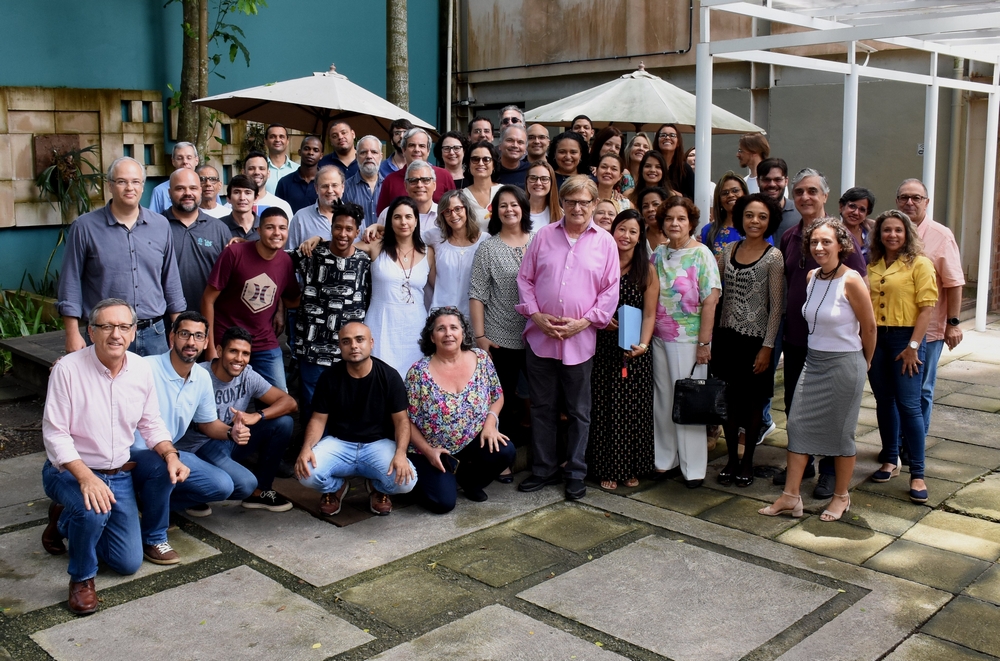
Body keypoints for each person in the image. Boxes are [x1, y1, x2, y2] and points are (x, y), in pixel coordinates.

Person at [41, 299, 188, 615]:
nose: (115, 334)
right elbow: (55, 435)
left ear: (133, 332)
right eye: (106, 326)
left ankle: (64, 519)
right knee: (91, 511)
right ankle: (82, 578)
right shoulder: (67, 370)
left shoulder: (140, 369)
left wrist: (171, 454)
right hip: (69, 471)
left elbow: (151, 422)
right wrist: (85, 478)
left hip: (118, 473)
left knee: (127, 563)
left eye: (123, 326)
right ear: (92, 332)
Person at [760, 218, 876, 521]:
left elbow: (870, 327)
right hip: (813, 363)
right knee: (797, 426)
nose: (819, 247)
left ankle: (841, 496)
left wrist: (865, 362)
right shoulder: (812, 276)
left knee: (841, 434)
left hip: (844, 364)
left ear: (841, 245)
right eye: (814, 242)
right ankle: (790, 497)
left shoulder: (851, 280)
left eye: (826, 241)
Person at [516, 175, 620, 500]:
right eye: (571, 201)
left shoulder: (605, 242)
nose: (577, 208)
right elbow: (525, 279)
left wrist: (584, 322)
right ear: (561, 203)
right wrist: (536, 315)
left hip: (580, 340)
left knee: (578, 411)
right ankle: (544, 469)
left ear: (594, 204)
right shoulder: (544, 236)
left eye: (584, 202)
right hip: (541, 337)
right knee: (542, 407)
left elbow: (609, 291)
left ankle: (575, 473)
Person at [774, 169, 868, 497]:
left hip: (835, 345)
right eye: (799, 191)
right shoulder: (789, 237)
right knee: (796, 408)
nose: (805, 197)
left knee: (834, 412)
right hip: (798, 338)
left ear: (825, 196)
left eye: (812, 191)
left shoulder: (841, 238)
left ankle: (829, 471)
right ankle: (804, 463)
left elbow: (862, 292)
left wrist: (863, 353)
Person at [58, 156, 185, 356]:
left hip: (154, 333)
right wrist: (72, 332)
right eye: (121, 181)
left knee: (154, 379)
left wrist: (179, 329)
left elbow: (171, 280)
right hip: (106, 334)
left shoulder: (161, 225)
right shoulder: (85, 227)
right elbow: (70, 281)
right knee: (103, 378)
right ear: (110, 185)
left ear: (142, 186)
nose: (129, 188)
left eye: (135, 182)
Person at [134, 313, 252, 522]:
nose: (191, 342)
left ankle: (146, 505)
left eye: (198, 336)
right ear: (172, 337)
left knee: (223, 486)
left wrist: (230, 432)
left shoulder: (202, 376)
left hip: (170, 452)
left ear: (206, 342)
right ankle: (148, 516)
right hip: (135, 453)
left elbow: (207, 423)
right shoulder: (145, 367)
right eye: (184, 334)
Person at [295, 321, 417, 517]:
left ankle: (378, 488)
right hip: (340, 444)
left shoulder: (389, 376)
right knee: (305, 473)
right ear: (340, 346)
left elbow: (402, 421)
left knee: (407, 482)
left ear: (371, 343)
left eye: (360, 340)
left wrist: (401, 454)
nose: (353, 346)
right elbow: (318, 420)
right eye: (346, 341)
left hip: (378, 444)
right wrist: (306, 448)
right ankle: (336, 487)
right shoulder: (329, 377)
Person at [177, 325, 299, 513]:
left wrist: (257, 415)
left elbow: (290, 403)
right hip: (196, 447)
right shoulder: (199, 375)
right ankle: (189, 493)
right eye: (233, 351)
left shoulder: (247, 375)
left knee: (283, 423)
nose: (239, 359)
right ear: (219, 351)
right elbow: (204, 426)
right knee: (244, 483)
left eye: (245, 353)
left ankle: (260, 492)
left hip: (228, 440)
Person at [406, 308, 514, 512]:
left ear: (463, 333)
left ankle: (469, 482)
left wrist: (490, 424)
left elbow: (497, 395)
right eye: (441, 329)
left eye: (454, 328)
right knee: (443, 504)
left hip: (472, 440)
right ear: (432, 337)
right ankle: (428, 480)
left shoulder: (481, 359)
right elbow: (406, 420)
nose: (448, 333)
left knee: (505, 451)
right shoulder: (418, 373)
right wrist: (428, 451)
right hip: (432, 450)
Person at [711, 194, 784, 487]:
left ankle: (747, 461)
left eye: (762, 216)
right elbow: (712, 287)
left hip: (756, 341)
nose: (755, 221)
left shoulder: (774, 256)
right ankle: (731, 459)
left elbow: (776, 307)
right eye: (750, 215)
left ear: (770, 221)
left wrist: (767, 347)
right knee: (728, 402)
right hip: (727, 338)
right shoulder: (729, 249)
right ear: (741, 217)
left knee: (753, 404)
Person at [867, 210, 938, 504]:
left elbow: (927, 309)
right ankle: (890, 460)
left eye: (898, 230)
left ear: (907, 234)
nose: (892, 235)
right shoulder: (872, 265)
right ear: (879, 235)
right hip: (876, 341)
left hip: (906, 340)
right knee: (884, 402)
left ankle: (917, 473)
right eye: (887, 230)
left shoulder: (920, 264)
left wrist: (913, 346)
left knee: (909, 405)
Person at [650, 196, 720, 487]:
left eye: (681, 218)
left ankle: (694, 469)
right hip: (658, 337)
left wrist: (704, 344)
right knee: (663, 399)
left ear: (691, 223)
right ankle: (665, 460)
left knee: (689, 401)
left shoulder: (702, 254)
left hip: (689, 340)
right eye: (669, 219)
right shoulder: (658, 253)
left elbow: (711, 300)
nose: (674, 224)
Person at [589, 209, 657, 490]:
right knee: (603, 407)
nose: (626, 236)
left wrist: (643, 345)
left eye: (633, 231)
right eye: (622, 229)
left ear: (640, 238)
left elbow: (650, 314)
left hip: (633, 350)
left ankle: (631, 467)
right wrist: (600, 321)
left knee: (632, 410)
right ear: (612, 230)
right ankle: (606, 467)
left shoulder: (646, 270)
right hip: (601, 347)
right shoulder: (599, 262)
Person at [202, 208, 301, 390]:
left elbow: (291, 299)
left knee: (281, 399)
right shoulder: (234, 253)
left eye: (282, 228)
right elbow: (208, 299)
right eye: (270, 227)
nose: (277, 233)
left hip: (264, 342)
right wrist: (210, 347)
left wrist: (280, 307)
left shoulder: (285, 261)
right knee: (221, 397)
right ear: (259, 230)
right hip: (228, 339)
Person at [291, 201, 372, 423]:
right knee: (312, 402)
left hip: (348, 348)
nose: (343, 234)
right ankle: (312, 442)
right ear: (331, 227)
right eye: (338, 227)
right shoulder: (311, 253)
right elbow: (275, 260)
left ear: (357, 231)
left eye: (349, 229)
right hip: (312, 344)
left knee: (345, 404)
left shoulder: (364, 262)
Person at [895, 178, 965, 436]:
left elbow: (954, 282)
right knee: (896, 389)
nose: (910, 202)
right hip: (894, 326)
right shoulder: (891, 232)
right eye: (904, 197)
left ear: (927, 202)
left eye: (916, 198)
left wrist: (953, 324)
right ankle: (895, 444)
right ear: (897, 201)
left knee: (922, 388)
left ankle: (915, 445)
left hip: (930, 330)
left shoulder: (941, 235)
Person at [470, 185, 534, 438]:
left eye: (514, 204)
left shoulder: (540, 241)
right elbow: (477, 294)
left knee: (541, 398)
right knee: (501, 400)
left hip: (537, 335)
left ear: (523, 208)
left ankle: (542, 453)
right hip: (500, 338)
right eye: (503, 205)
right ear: (495, 211)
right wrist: (480, 337)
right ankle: (504, 453)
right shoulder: (488, 248)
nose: (509, 210)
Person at [365, 197, 436, 376]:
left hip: (415, 326)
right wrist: (317, 239)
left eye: (408, 217)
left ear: (416, 220)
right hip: (381, 323)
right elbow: (343, 247)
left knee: (414, 377)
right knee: (380, 377)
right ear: (389, 221)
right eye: (397, 217)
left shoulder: (428, 252)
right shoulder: (375, 246)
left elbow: (440, 288)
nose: (403, 222)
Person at [164, 168, 232, 313]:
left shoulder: (219, 229)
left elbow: (230, 277)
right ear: (169, 192)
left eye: (193, 188)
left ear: (200, 191)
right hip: (166, 317)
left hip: (210, 315)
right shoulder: (157, 226)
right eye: (180, 188)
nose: (187, 193)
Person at [428, 189, 485, 317]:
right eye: (447, 211)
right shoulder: (436, 237)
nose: (453, 215)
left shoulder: (484, 240)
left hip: (472, 315)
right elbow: (409, 239)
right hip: (441, 314)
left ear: (466, 209)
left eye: (458, 209)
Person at [376, 128, 455, 214]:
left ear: (428, 151)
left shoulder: (444, 176)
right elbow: (382, 215)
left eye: (422, 146)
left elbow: (454, 208)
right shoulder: (390, 180)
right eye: (412, 145)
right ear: (403, 150)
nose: (417, 149)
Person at [373, 160, 440, 242]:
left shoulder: (444, 215)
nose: (419, 185)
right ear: (405, 186)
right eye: (413, 180)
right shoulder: (388, 213)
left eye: (426, 180)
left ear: (434, 185)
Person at [285, 166, 344, 249]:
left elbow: (360, 249)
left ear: (342, 187)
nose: (330, 190)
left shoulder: (355, 216)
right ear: (316, 189)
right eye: (325, 186)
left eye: (334, 185)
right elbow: (290, 253)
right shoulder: (300, 218)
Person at [700, 172, 751, 260]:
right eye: (725, 193)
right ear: (719, 200)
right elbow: (702, 264)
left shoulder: (758, 228)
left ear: (745, 194)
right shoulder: (708, 231)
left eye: (735, 191)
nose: (730, 195)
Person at [342, 135, 384, 230]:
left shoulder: (389, 186)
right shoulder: (345, 188)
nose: (369, 156)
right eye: (363, 152)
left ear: (381, 156)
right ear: (356, 157)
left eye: (374, 152)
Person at [276, 135, 323, 214]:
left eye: (316, 150)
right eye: (306, 149)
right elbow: (278, 211)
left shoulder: (327, 183)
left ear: (321, 155)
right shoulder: (284, 182)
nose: (310, 153)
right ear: (299, 152)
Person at [150, 142, 201, 214]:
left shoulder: (208, 188)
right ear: (173, 161)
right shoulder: (160, 191)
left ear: (196, 160)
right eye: (180, 158)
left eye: (189, 158)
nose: (185, 161)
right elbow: (153, 218)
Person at [242, 150, 293, 220]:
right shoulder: (232, 205)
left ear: (268, 173)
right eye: (251, 168)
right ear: (243, 173)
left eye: (261, 168)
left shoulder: (282, 206)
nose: (257, 172)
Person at [758, 157, 801, 242]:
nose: (772, 184)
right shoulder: (749, 214)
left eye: (777, 179)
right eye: (766, 179)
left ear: (786, 181)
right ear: (757, 181)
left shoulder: (799, 212)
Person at [463, 141, 502, 231]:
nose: (480, 163)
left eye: (486, 159)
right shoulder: (461, 197)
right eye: (475, 159)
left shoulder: (505, 192)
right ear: (469, 164)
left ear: (494, 164)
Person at [653, 123, 694, 200]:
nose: (667, 138)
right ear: (657, 140)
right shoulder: (651, 165)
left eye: (672, 135)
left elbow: (693, 197)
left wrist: (677, 196)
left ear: (678, 142)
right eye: (663, 135)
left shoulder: (685, 168)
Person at [839, 187, 876, 263]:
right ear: (841, 207)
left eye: (862, 210)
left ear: (866, 214)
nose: (856, 213)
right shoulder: (832, 234)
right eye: (852, 206)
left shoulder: (871, 235)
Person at [526, 160, 563, 232]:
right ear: (526, 181)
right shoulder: (516, 210)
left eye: (544, 179)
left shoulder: (561, 214)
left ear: (551, 183)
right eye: (533, 178)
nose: (538, 183)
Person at [220, 175, 260, 240]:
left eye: (248, 193)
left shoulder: (265, 226)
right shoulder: (218, 226)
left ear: (256, 198)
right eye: (236, 192)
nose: (242, 198)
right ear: (228, 198)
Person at [264, 123, 299, 195]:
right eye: (272, 137)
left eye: (281, 137)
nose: (277, 140)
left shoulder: (298, 170)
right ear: (265, 141)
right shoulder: (259, 170)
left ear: (287, 141)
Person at [637, 186, 671, 252]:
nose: (650, 209)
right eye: (645, 206)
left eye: (655, 204)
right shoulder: (638, 237)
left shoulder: (679, 233)